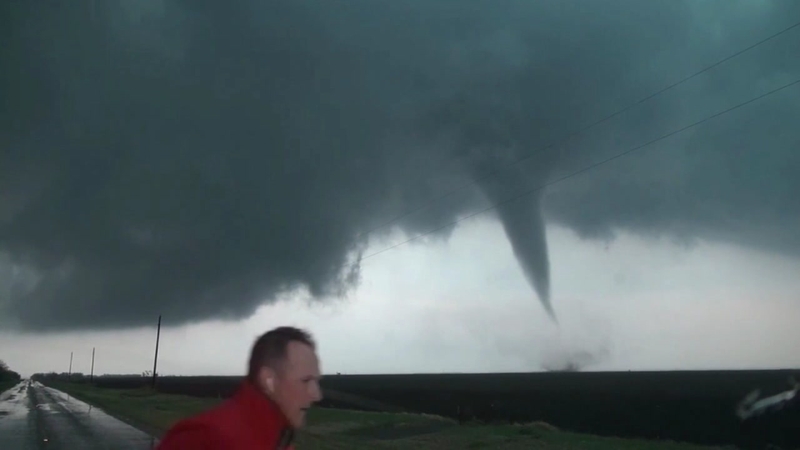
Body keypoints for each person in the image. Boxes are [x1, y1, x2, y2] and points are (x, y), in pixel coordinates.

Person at [156, 326, 324, 450]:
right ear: (269, 380)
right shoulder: (204, 439)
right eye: (305, 381)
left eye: (316, 381)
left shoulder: (278, 440)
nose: (317, 395)